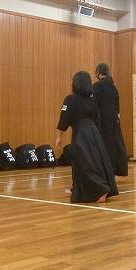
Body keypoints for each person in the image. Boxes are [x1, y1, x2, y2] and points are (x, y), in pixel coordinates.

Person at [55, 71, 118, 203]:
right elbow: (97, 118)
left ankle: (101, 189)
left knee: (83, 163)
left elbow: (64, 118)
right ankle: (79, 188)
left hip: (81, 135)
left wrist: (59, 137)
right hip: (94, 133)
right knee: (95, 162)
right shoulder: (92, 100)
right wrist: (98, 135)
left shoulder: (70, 99)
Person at [93, 63, 128, 177]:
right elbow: (117, 107)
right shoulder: (113, 87)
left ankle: (105, 170)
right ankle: (114, 169)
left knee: (103, 143)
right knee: (114, 143)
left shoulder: (96, 87)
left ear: (98, 72)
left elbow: (94, 105)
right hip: (113, 117)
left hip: (102, 117)